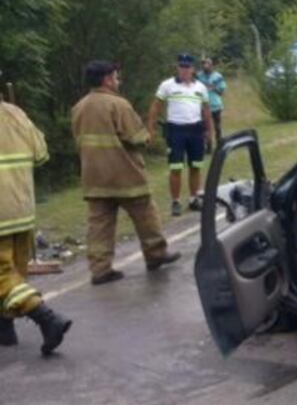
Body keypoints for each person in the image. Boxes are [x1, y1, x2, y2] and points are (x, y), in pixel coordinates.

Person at [71, 61, 181, 286]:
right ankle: (156, 255)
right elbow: (137, 138)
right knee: (145, 215)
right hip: (125, 175)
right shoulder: (118, 104)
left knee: (99, 226)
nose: (118, 81)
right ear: (107, 80)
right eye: (115, 77)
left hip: (94, 177)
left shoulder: (78, 107)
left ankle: (100, 270)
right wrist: (149, 135)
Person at [0, 100, 72, 355]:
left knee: (3, 278)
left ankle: (47, 318)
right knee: (13, 276)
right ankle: (5, 331)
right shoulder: (16, 112)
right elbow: (41, 154)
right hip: (22, 210)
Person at [147, 53, 214, 216]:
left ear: (193, 69)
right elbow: (155, 107)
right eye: (181, 66)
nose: (184, 70)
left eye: (187, 67)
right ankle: (176, 201)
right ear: (177, 67)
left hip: (196, 130)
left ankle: (193, 199)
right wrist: (151, 128)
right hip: (176, 130)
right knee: (175, 168)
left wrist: (209, 131)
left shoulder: (200, 87)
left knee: (196, 166)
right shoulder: (167, 85)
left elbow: (206, 111)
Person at [196, 57, 226, 150]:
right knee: (204, 128)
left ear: (212, 65)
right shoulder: (198, 76)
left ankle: (220, 145)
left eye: (207, 64)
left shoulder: (218, 76)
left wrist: (213, 88)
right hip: (202, 106)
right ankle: (208, 147)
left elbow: (222, 92)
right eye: (203, 64)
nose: (205, 66)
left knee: (217, 127)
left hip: (215, 105)